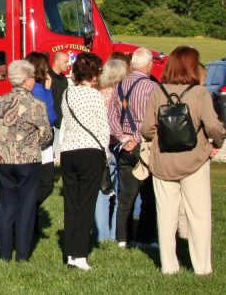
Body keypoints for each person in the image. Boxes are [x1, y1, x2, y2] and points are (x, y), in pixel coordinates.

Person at [141, 46, 226, 276]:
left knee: (166, 216)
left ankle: (169, 266)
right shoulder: (200, 93)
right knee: (199, 216)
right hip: (194, 161)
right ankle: (202, 267)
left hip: (163, 162)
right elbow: (213, 126)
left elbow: (147, 129)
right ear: (192, 66)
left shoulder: (158, 91)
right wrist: (216, 143)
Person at [0, 59, 53, 261]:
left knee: (5, 207)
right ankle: (22, 254)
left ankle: (4, 253)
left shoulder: (0, 101)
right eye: (33, 78)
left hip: (3, 159)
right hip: (27, 160)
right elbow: (46, 135)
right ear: (27, 80)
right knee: (26, 207)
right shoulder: (35, 104)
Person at [59, 51, 108, 271]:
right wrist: (105, 152)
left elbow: (65, 123)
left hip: (69, 152)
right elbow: (103, 128)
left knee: (71, 204)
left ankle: (70, 253)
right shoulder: (95, 96)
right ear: (93, 74)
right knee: (86, 205)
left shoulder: (67, 95)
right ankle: (80, 255)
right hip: (90, 151)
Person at [109, 46, 158, 248]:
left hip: (123, 146)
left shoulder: (119, 86)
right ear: (149, 65)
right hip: (143, 145)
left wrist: (123, 137)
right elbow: (153, 120)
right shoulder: (152, 88)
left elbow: (111, 118)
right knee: (148, 196)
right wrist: (136, 138)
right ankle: (145, 238)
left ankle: (123, 238)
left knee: (126, 195)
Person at [94, 58, 127, 243]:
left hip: (101, 146)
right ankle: (117, 232)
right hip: (119, 145)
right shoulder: (122, 96)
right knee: (121, 193)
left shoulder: (98, 95)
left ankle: (101, 235)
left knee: (103, 191)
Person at [24, 52, 56, 219]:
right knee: (46, 184)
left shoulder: (27, 90)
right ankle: (25, 210)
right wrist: (49, 90)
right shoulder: (39, 90)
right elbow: (50, 116)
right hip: (42, 145)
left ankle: (30, 220)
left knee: (33, 184)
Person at [48, 51, 70, 153]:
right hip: (49, 122)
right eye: (65, 62)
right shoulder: (47, 78)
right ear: (57, 62)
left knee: (53, 153)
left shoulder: (63, 79)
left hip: (59, 122)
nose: (68, 64)